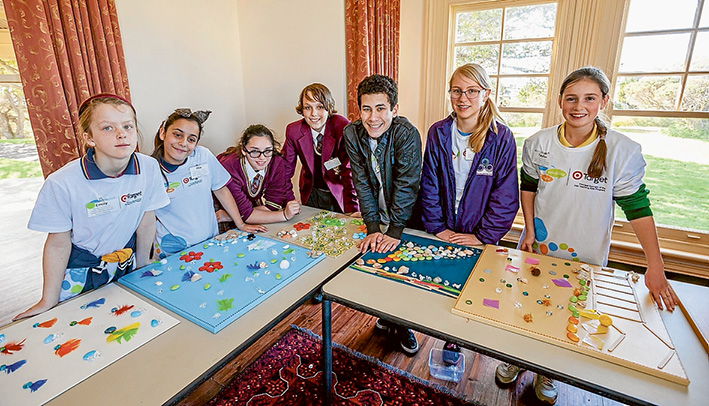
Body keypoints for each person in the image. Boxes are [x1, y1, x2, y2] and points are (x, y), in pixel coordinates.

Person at [496, 67, 679, 404]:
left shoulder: (621, 150)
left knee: (566, 312)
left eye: (589, 98)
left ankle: (547, 371)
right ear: (560, 102)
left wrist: (655, 266)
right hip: (540, 246)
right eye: (571, 98)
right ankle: (516, 357)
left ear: (604, 101)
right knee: (525, 304)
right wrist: (529, 226)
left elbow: (638, 209)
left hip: (587, 254)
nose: (579, 106)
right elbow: (529, 187)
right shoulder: (539, 143)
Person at [15, 94, 170, 320]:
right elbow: (58, 244)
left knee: (132, 325)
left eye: (128, 126)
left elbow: (146, 220)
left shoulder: (148, 167)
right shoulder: (62, 182)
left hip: (127, 266)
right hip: (81, 273)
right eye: (107, 128)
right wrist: (48, 299)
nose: (121, 134)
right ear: (89, 138)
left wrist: (144, 261)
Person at [420, 63, 519, 360]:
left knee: (476, 290)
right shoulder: (438, 132)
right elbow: (430, 183)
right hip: (446, 228)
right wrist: (438, 227)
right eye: (457, 91)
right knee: (442, 285)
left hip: (479, 233)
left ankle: (460, 339)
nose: (463, 98)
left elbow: (505, 195)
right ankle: (442, 332)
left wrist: (482, 236)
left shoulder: (501, 137)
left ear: (486, 94)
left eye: (472, 91)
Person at [344, 74, 422, 355]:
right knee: (380, 266)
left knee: (404, 270)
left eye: (380, 109)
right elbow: (361, 181)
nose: (373, 117)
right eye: (366, 109)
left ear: (394, 110)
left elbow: (407, 183)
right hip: (377, 210)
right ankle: (387, 316)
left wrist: (394, 230)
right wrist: (373, 226)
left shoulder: (406, 133)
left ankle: (403, 324)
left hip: (407, 212)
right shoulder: (351, 134)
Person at [151, 109, 266, 258]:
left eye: (191, 139)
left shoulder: (203, 156)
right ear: (162, 133)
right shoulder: (150, 170)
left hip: (209, 241)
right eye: (177, 135)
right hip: (172, 250)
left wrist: (240, 224)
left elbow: (222, 190)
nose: (183, 143)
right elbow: (146, 217)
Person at [282, 83, 358, 213]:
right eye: (307, 107)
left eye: (320, 107)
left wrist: (352, 209)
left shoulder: (342, 126)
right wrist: (289, 202)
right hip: (311, 192)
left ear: (328, 107)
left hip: (339, 193)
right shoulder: (293, 131)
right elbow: (284, 172)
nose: (313, 114)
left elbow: (349, 172)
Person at [217, 124, 300, 227]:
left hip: (246, 208)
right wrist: (284, 215)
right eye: (255, 151)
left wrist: (233, 215)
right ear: (243, 150)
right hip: (218, 211)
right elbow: (247, 215)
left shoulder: (276, 162)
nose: (262, 158)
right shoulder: (229, 167)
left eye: (268, 150)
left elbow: (273, 204)